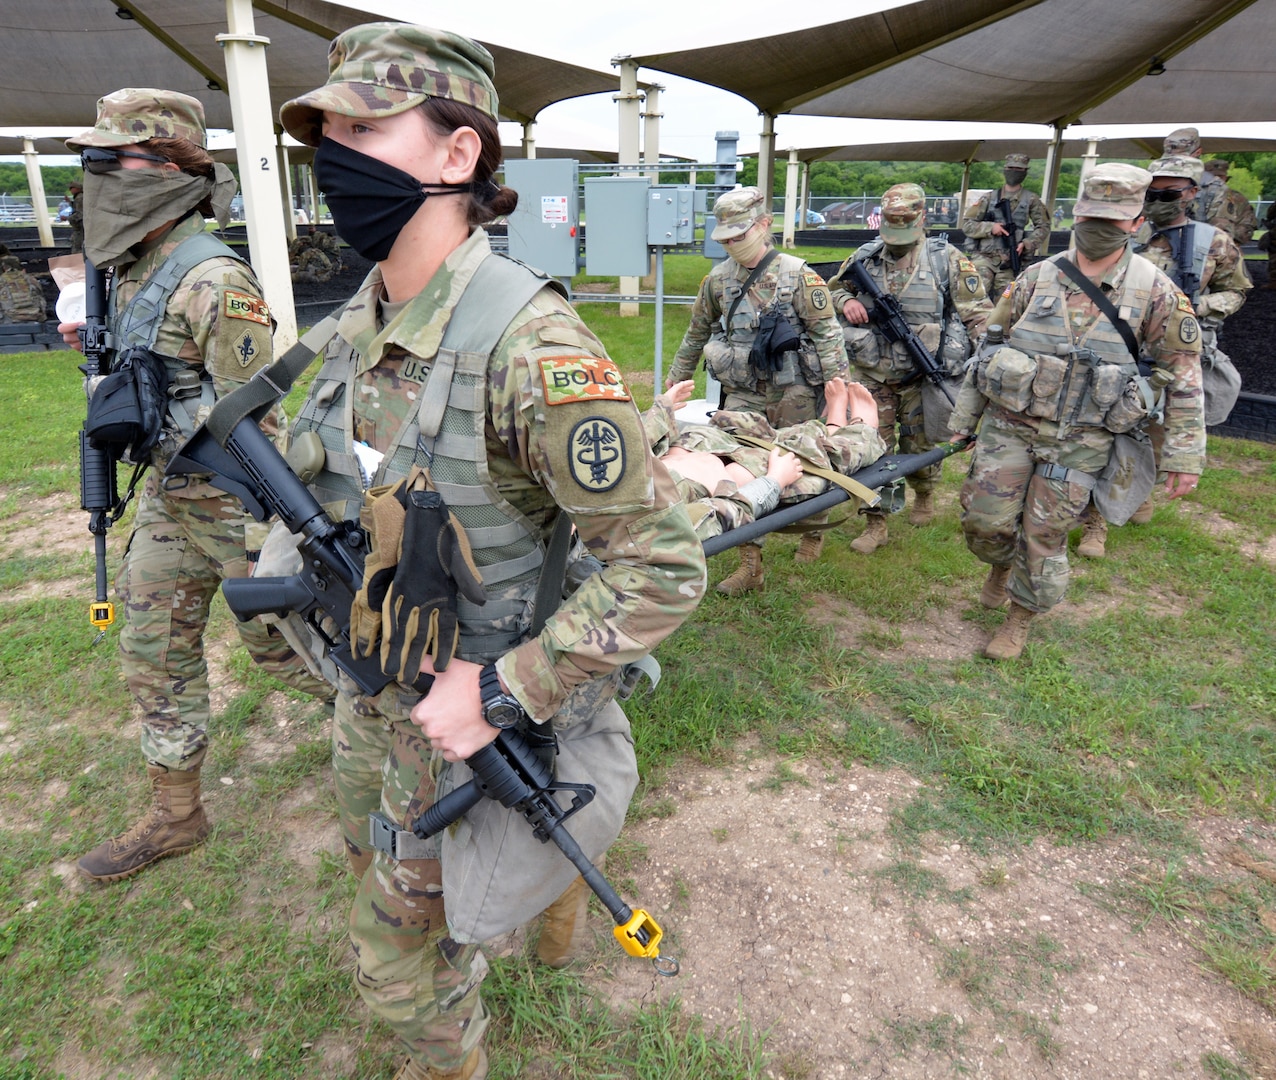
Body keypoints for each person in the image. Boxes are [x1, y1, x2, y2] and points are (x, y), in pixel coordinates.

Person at [277, 24, 705, 1080]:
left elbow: (663, 564)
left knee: (397, 971)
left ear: (457, 157)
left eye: (366, 127)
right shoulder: (357, 324)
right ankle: (540, 894)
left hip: (468, 713)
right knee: (372, 854)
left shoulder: (531, 347)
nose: (334, 155)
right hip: (373, 695)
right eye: (326, 133)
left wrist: (507, 691)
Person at [60, 89, 333, 883]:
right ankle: (176, 814)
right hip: (171, 502)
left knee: (292, 651)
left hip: (234, 506)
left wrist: (263, 541)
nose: (98, 177)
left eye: (116, 160)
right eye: (93, 162)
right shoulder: (132, 268)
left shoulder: (214, 278)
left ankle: (398, 750)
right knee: (152, 650)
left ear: (175, 170)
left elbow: (257, 421)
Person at [948, 162, 1205, 660]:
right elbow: (988, 354)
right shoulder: (1036, 277)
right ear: (1076, 214)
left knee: (1044, 532)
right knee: (986, 523)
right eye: (1090, 218)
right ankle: (1000, 564)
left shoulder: (1156, 291)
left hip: (1083, 437)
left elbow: (1185, 375)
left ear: (1135, 223)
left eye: (1112, 222)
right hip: (1011, 425)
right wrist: (963, 422)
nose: (1097, 231)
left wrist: (1184, 455)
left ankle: (1019, 618)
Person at [665, 185, 849, 592]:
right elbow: (697, 331)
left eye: (740, 236)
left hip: (794, 392)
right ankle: (751, 563)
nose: (732, 245)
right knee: (741, 468)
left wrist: (841, 390)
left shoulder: (800, 275)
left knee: (804, 463)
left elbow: (827, 334)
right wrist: (679, 373)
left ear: (764, 225)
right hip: (743, 394)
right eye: (725, 239)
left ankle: (812, 529)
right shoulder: (718, 281)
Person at [828, 182, 992, 554]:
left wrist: (988, 352)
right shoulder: (866, 256)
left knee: (919, 446)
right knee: (873, 449)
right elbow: (834, 287)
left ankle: (925, 492)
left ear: (921, 218)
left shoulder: (945, 259)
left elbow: (977, 311)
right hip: (873, 373)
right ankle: (876, 522)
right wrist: (847, 302)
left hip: (922, 372)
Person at [1095, 154, 1251, 540]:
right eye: (1152, 192)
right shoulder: (1129, 233)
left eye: (1168, 193)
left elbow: (1236, 291)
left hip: (1173, 353)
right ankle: (1095, 518)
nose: (1158, 200)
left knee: (1158, 434)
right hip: (1122, 348)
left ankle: (1139, 492)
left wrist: (1202, 306)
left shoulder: (1214, 242)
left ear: (1192, 193)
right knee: (1106, 429)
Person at [645, 377, 886, 540]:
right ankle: (857, 429)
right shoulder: (646, 528)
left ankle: (832, 426)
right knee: (800, 460)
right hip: (728, 482)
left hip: (688, 450)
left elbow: (625, 442)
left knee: (750, 430)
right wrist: (773, 481)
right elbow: (718, 516)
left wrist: (660, 411)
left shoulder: (612, 476)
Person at [959, 153, 1052, 296]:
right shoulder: (989, 198)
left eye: (1019, 169)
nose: (1014, 172)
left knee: (1006, 301)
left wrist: (1027, 243)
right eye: (1011, 168)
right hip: (985, 257)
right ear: (1005, 169)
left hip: (1010, 261)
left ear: (1025, 172)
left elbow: (1043, 226)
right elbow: (968, 224)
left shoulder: (1031, 199)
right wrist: (990, 228)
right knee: (974, 293)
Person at [1199, 160, 1258, 245]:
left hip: (1227, 246)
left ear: (1226, 178)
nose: (1217, 180)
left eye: (1220, 177)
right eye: (1213, 177)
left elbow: (1247, 226)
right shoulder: (1193, 194)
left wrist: (1230, 240)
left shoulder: (1239, 199)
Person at [0, 254, 47, 323]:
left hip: (10, 319)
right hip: (35, 316)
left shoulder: (1, 280)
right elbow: (41, 295)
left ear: (4, 267)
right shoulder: (30, 279)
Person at [67, 181, 85, 253]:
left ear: (77, 189)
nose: (70, 190)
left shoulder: (80, 198)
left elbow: (80, 213)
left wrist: (68, 218)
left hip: (80, 227)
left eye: (71, 188)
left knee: (78, 247)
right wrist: (70, 202)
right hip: (80, 227)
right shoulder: (79, 198)